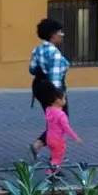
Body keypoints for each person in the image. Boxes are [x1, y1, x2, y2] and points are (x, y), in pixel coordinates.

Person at [28, 18, 71, 160]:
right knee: (60, 123)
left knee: (53, 121)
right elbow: (55, 79)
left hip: (39, 88)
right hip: (52, 91)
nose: (62, 36)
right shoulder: (55, 54)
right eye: (60, 33)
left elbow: (32, 69)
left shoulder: (38, 49)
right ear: (53, 35)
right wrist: (60, 97)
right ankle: (54, 163)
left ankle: (39, 144)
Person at [45, 88, 82, 175]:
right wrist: (75, 138)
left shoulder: (49, 110)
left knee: (54, 155)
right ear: (58, 100)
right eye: (64, 98)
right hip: (58, 140)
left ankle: (56, 170)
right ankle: (51, 173)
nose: (65, 101)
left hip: (49, 138)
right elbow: (66, 127)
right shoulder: (61, 115)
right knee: (57, 158)